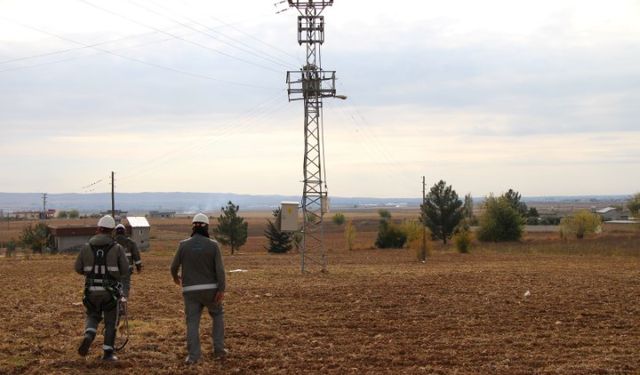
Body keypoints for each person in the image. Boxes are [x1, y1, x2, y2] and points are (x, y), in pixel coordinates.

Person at [170, 213, 227, 365]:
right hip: (211, 290)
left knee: (192, 322)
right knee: (217, 314)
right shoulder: (213, 245)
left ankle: (193, 356)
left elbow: (173, 266)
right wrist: (221, 289)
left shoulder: (183, 245)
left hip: (190, 291)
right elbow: (220, 270)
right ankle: (219, 350)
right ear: (207, 227)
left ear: (193, 227)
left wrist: (176, 279)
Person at [75, 215, 129, 361]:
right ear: (112, 231)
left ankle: (89, 335)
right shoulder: (117, 248)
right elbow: (125, 270)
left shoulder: (86, 247)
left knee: (93, 315)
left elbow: (78, 268)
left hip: (91, 291)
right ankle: (108, 353)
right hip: (110, 293)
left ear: (98, 229)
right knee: (111, 322)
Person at [114, 223, 142, 300]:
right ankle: (123, 300)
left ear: (115, 232)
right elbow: (136, 256)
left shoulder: (111, 242)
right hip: (127, 269)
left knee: (113, 285)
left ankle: (115, 302)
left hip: (113, 269)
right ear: (124, 232)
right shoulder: (130, 242)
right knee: (125, 285)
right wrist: (138, 267)